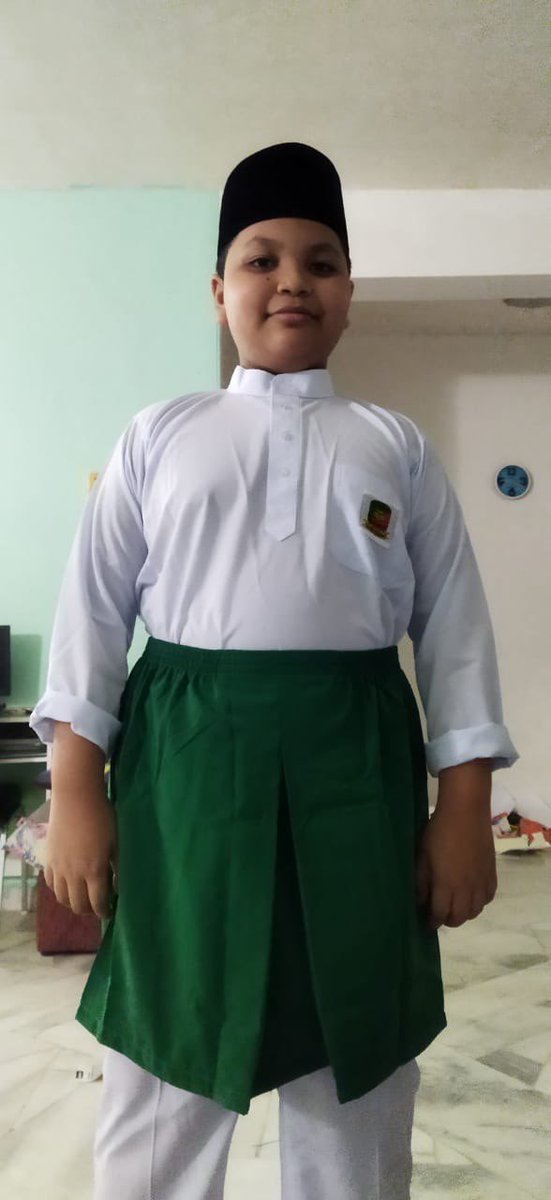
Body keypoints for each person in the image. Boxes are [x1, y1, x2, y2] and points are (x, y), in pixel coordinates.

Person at [30, 142, 518, 1200]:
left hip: (357, 774)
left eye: (319, 261)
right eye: (260, 259)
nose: (291, 280)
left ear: (348, 295)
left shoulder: (393, 445)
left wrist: (462, 808)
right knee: (173, 1033)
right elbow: (90, 618)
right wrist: (75, 790)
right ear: (219, 290)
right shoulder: (161, 435)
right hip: (186, 773)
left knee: (354, 1047)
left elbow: (453, 628)